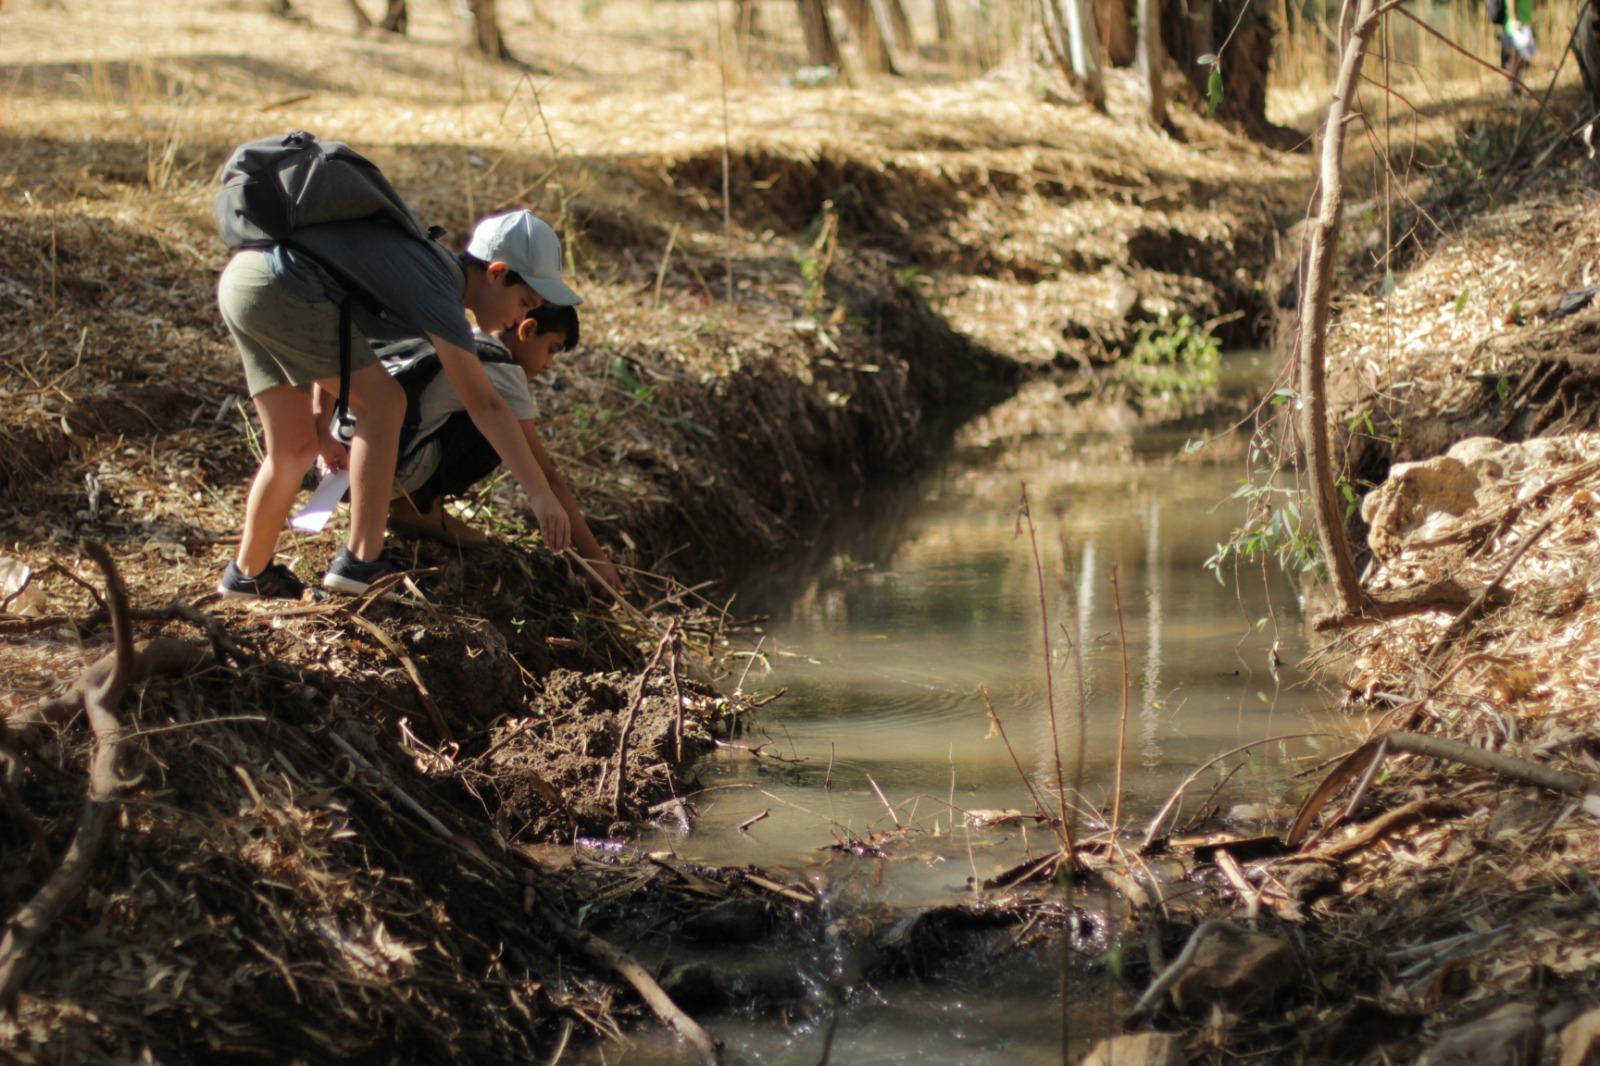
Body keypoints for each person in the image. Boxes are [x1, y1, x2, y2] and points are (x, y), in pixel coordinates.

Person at [215, 208, 577, 602]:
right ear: (496, 273)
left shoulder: (422, 269)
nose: (522, 316)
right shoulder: (441, 292)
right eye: (525, 302)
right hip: (284, 288)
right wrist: (540, 495)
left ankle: (248, 574)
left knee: (294, 447)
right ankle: (362, 561)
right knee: (385, 403)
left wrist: (321, 421)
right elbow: (486, 406)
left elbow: (344, 332)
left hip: (248, 279)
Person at [380, 305, 626, 596]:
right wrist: (595, 560)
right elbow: (547, 475)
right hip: (397, 473)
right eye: (551, 349)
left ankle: (409, 502)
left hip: (360, 465)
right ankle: (418, 506)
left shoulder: (461, 336)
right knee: (500, 428)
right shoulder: (502, 370)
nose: (549, 363)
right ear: (528, 329)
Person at [1488, 0, 1535, 85]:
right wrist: (1514, 19)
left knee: (1520, 57)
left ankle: (1515, 82)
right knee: (1516, 57)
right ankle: (1513, 83)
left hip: (1521, 25)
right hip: (1515, 27)